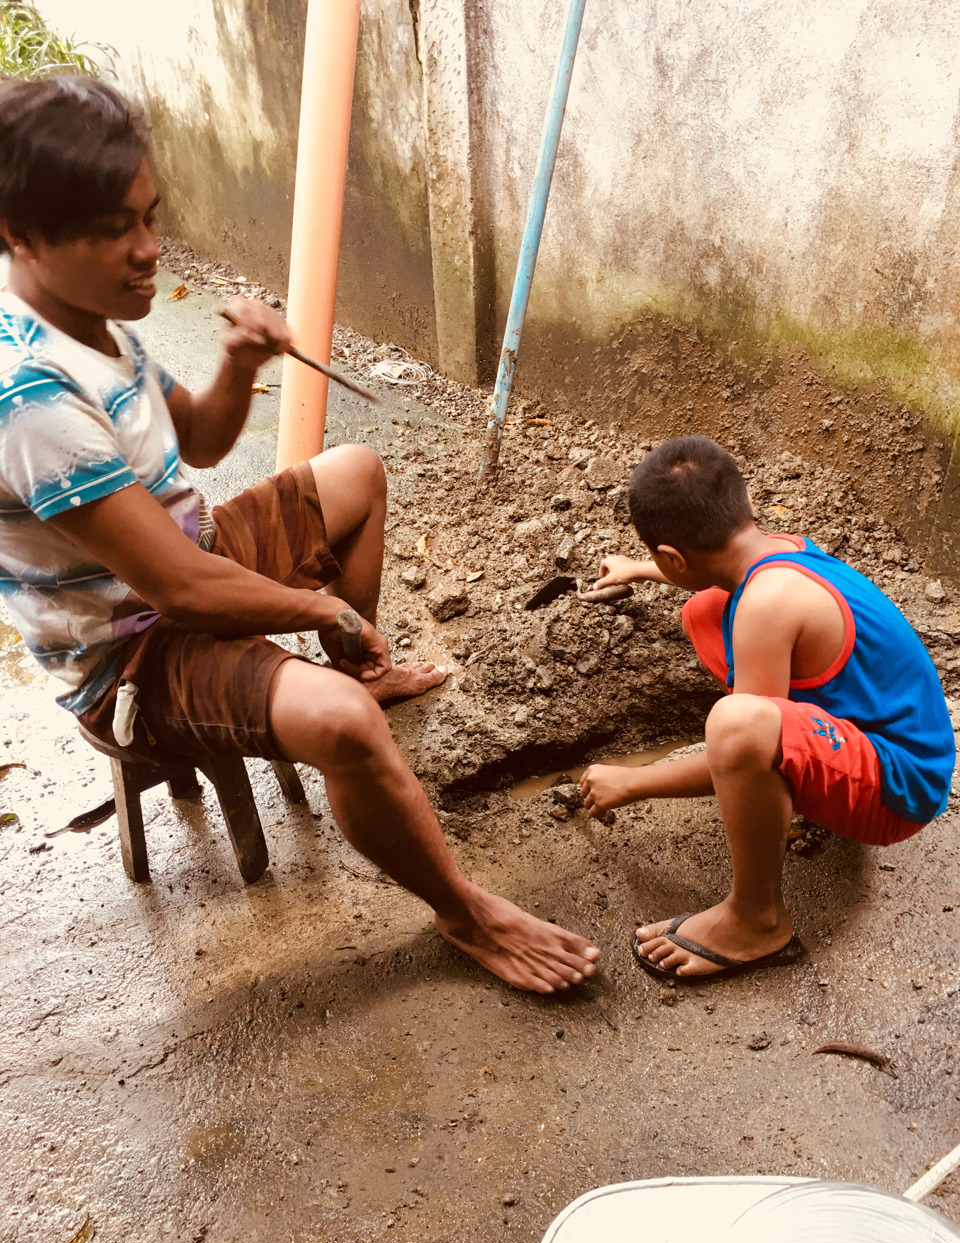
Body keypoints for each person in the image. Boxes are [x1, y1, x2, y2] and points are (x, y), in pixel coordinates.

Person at [0, 76, 600, 994]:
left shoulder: (90, 315)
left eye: (150, 218)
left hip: (180, 561)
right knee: (344, 725)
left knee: (355, 472)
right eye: (113, 230)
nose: (148, 251)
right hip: (128, 656)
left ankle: (355, 664)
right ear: (19, 235)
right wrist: (321, 606)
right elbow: (184, 596)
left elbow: (199, 438)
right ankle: (464, 913)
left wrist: (237, 362)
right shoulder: (30, 400)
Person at [580, 434, 955, 982]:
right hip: (895, 743)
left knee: (736, 724)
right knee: (705, 609)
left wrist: (635, 782)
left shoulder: (766, 605)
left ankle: (756, 921)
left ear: (674, 555)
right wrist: (641, 568)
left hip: (903, 793)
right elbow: (709, 566)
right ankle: (795, 784)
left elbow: (746, 737)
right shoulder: (776, 550)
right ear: (744, 504)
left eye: (664, 563)